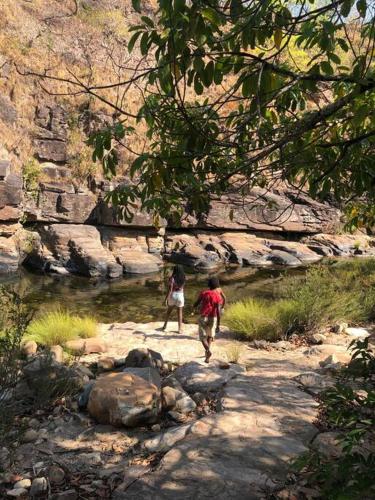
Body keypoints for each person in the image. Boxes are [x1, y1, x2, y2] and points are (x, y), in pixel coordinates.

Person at [194, 276, 222, 363]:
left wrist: (194, 306)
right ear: (217, 285)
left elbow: (197, 303)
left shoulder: (204, 293)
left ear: (209, 285)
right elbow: (218, 310)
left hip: (203, 317)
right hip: (213, 317)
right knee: (210, 336)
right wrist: (218, 324)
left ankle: (207, 351)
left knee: (202, 337)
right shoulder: (218, 296)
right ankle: (207, 356)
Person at [162, 265, 186, 334]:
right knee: (180, 313)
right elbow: (183, 286)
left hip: (173, 295)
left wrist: (165, 299)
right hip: (180, 295)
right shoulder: (184, 277)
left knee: (169, 311)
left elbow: (170, 290)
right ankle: (180, 329)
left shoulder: (172, 278)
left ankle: (165, 326)